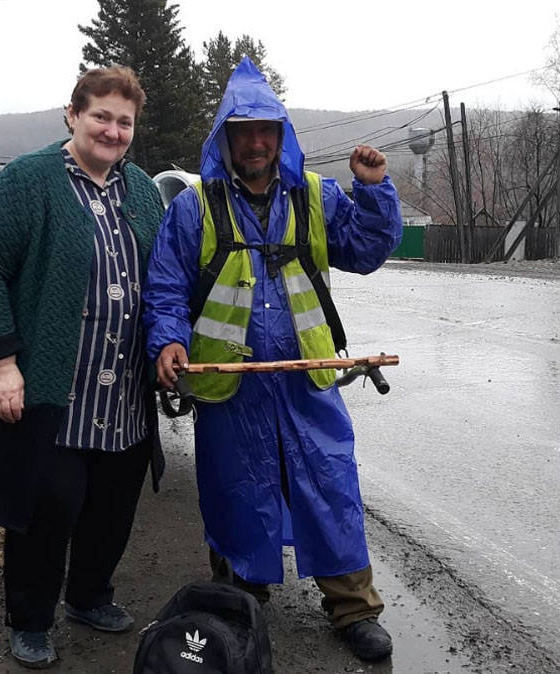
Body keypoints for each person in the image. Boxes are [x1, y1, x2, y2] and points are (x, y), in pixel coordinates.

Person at [142, 57, 402, 663]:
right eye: (243, 131)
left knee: (329, 485)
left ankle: (354, 608)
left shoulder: (315, 197)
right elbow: (165, 289)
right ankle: (239, 602)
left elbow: (365, 250)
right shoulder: (194, 208)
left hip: (307, 380)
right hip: (229, 387)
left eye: (266, 130)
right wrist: (168, 343)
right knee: (236, 493)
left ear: (281, 136)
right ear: (225, 138)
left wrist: (373, 189)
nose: (255, 142)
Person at [0, 65, 165, 669]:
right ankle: (31, 617)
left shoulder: (141, 190)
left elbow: (168, 277)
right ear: (72, 115)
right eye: (101, 116)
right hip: (54, 387)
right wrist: (0, 362)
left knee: (113, 506)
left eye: (124, 122)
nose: (113, 131)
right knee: (50, 505)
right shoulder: (29, 180)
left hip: (122, 389)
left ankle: (89, 596)